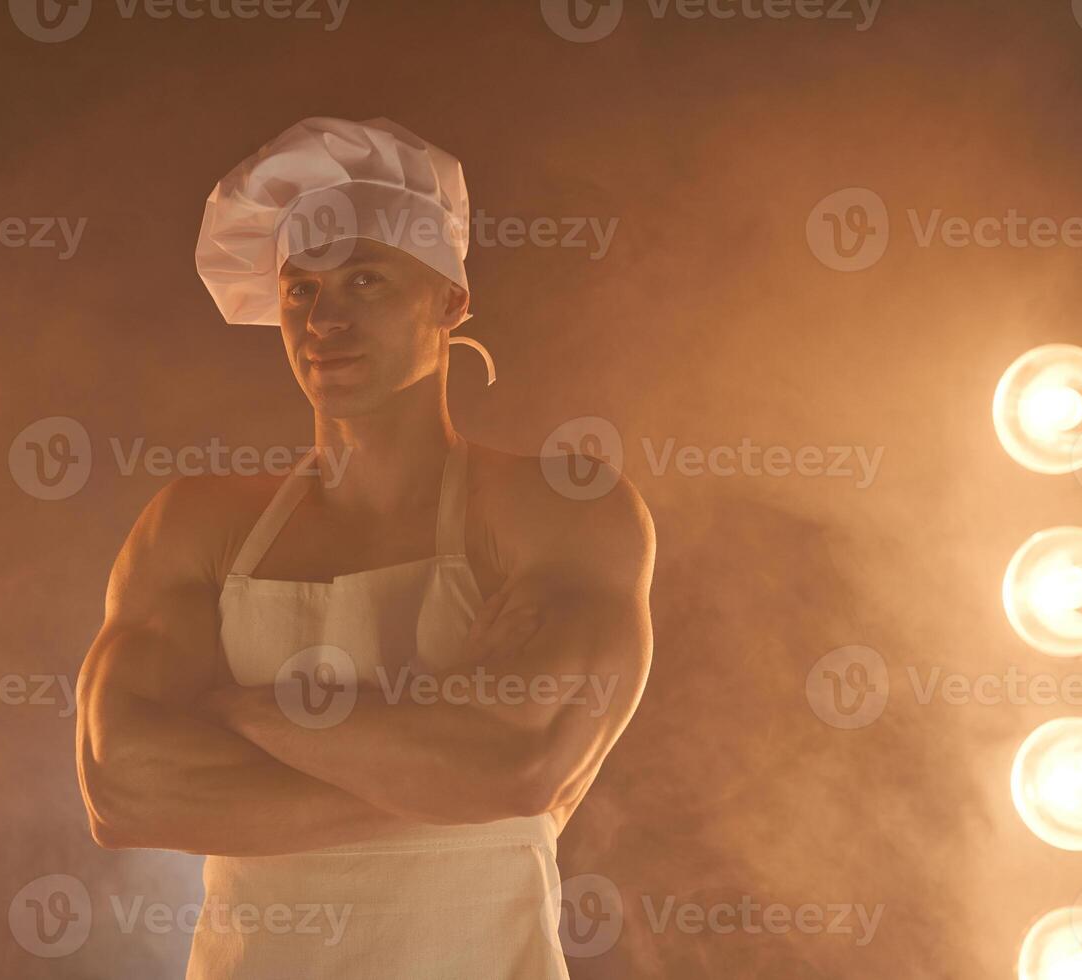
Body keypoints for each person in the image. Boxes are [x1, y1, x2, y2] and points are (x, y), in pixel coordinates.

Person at [75, 116, 654, 979]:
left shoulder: (561, 508)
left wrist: (238, 708)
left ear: (452, 301)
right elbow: (121, 789)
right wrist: (443, 766)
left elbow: (520, 760)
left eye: (367, 280)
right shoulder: (197, 522)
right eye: (301, 290)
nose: (325, 319)